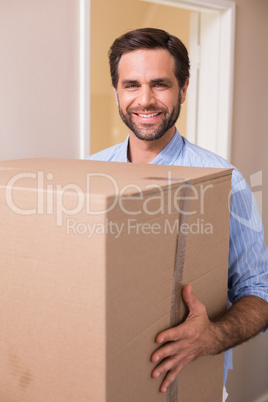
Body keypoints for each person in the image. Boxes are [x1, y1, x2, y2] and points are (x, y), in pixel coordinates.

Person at [88, 28, 268, 397]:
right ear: (117, 92)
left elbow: (260, 292)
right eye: (132, 85)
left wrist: (213, 336)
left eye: (160, 84)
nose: (145, 99)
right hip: (101, 378)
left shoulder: (222, 183)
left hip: (189, 383)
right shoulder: (88, 175)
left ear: (183, 89)